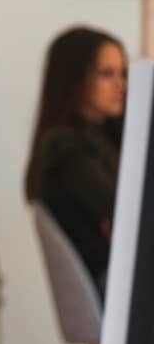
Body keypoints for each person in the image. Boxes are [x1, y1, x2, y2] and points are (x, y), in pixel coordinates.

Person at [24, 26, 127, 297]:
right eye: (107, 74)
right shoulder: (66, 150)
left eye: (123, 73)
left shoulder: (102, 140)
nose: (121, 85)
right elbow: (126, 211)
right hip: (111, 283)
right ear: (75, 79)